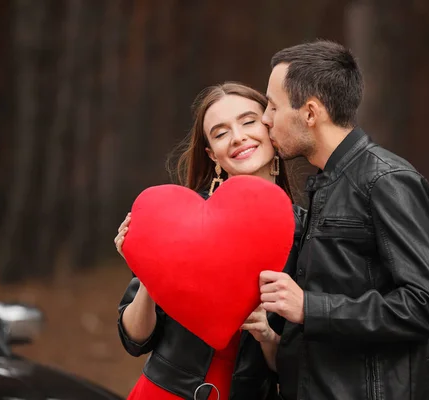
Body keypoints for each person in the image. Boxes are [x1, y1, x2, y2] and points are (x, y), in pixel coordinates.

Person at [258, 40, 429, 399]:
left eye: (273, 106)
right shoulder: (326, 181)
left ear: (310, 112)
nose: (265, 118)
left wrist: (310, 307)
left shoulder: (386, 181)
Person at [114, 82, 305, 400]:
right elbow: (134, 340)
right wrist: (149, 270)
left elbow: (296, 366)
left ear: (271, 128)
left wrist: (266, 334)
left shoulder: (306, 231)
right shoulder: (177, 220)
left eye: (248, 121)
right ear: (212, 154)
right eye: (220, 133)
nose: (238, 137)